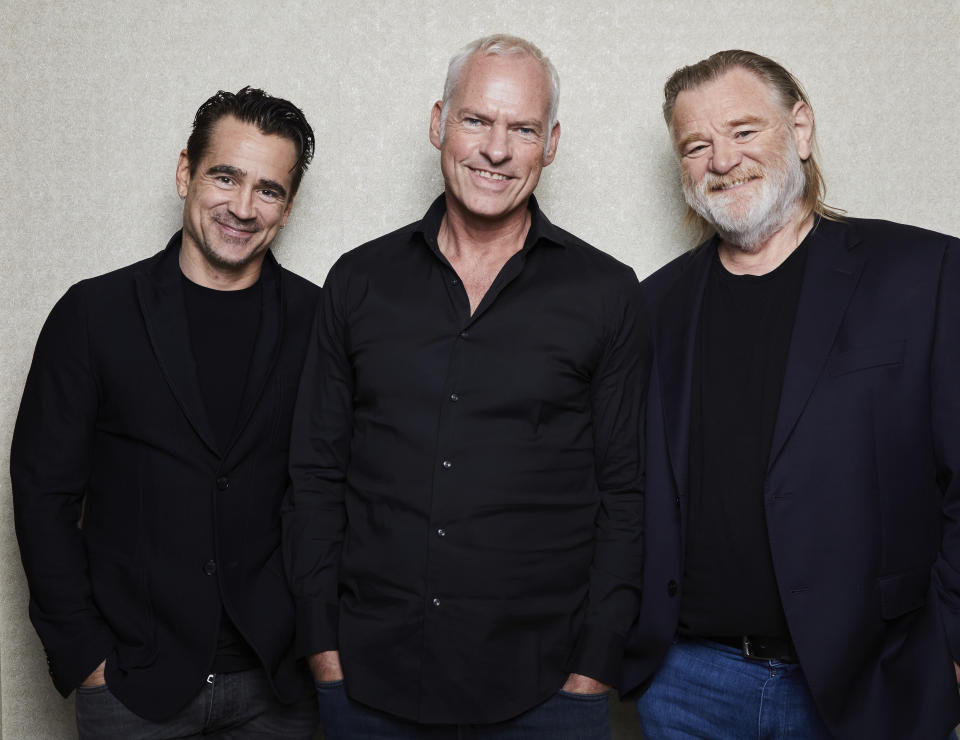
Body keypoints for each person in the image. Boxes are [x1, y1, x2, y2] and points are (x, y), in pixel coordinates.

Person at [282, 34, 649, 739]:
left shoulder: (608, 294)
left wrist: (592, 671)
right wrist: (322, 652)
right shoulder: (358, 282)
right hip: (367, 686)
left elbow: (625, 496)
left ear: (552, 144)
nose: (496, 149)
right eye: (476, 120)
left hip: (546, 694)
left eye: (523, 128)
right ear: (437, 124)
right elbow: (315, 476)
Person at [622, 49, 960, 740]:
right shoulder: (650, 308)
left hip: (873, 682)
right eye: (696, 145)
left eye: (744, 131)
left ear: (800, 129)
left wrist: (951, 650)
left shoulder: (925, 275)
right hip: (686, 686)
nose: (722, 159)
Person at [11, 86, 321, 738]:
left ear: (289, 206)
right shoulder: (92, 316)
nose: (242, 207)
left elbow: (337, 493)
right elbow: (43, 492)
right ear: (186, 172)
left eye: (268, 189)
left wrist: (320, 646)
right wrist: (85, 657)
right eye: (225, 176)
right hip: (132, 686)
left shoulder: (320, 324)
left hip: (277, 687)